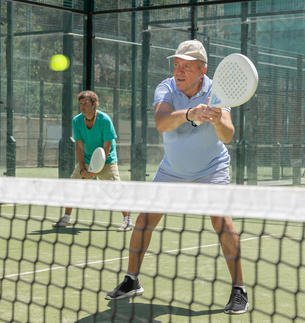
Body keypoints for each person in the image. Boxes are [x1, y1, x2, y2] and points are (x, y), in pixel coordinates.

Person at [105, 40, 248, 314]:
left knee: (223, 223)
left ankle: (239, 289)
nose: (179, 71)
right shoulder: (167, 87)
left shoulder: (217, 92)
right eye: (176, 64)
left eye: (186, 66)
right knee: (144, 221)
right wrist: (190, 114)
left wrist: (218, 120)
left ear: (202, 70)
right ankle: (131, 280)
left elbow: (228, 135)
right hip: (172, 170)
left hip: (212, 169)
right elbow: (161, 121)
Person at [53, 90, 133, 232]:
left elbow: (107, 146)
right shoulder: (77, 121)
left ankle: (127, 220)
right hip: (88, 158)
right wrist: (83, 168)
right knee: (72, 186)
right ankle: (66, 217)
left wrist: (95, 170)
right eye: (80, 104)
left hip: (107, 160)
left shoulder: (104, 120)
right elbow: (79, 146)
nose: (82, 106)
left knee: (115, 190)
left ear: (94, 104)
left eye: (86, 104)